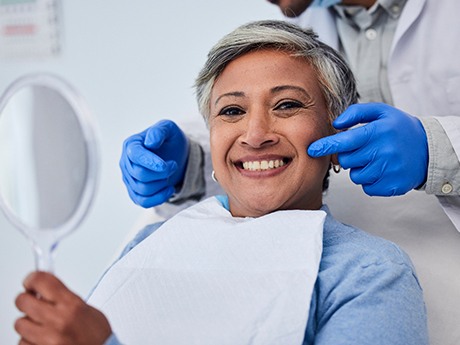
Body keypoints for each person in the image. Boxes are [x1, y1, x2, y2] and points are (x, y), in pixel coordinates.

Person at [14, 21, 427, 345]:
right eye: (231, 111)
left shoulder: (367, 273)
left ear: (336, 133)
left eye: (287, 105)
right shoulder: (151, 243)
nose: (255, 133)